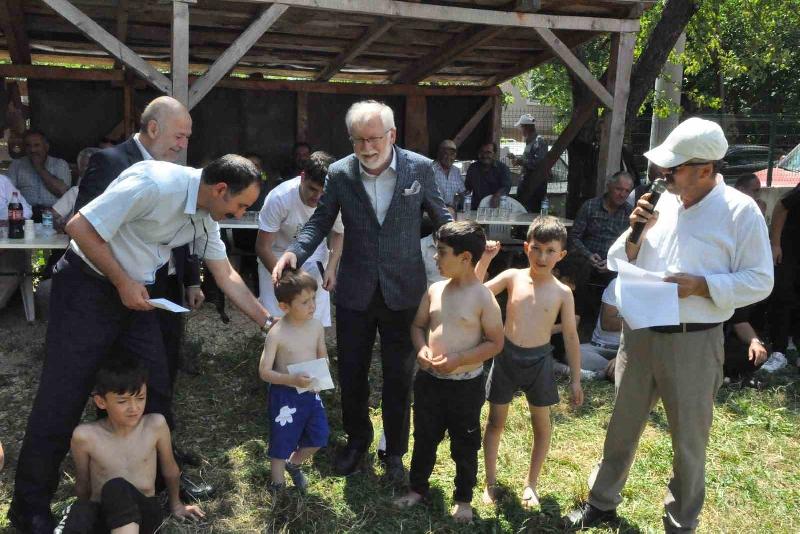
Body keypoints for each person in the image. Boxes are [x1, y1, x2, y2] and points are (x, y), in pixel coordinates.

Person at [9, 155, 273, 533]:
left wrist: (267, 322)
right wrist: (121, 282)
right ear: (219, 189)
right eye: (240, 205)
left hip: (136, 293)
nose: (239, 213)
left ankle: (158, 490)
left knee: (156, 389)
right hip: (88, 285)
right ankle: (29, 509)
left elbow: (226, 273)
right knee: (63, 396)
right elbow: (78, 226)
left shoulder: (206, 212)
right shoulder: (154, 183)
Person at [564, 117, 773, 532]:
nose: (663, 176)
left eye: (673, 169)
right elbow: (616, 260)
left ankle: (681, 522)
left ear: (705, 169)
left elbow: (761, 280)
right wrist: (636, 234)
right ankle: (601, 503)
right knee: (621, 427)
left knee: (688, 442)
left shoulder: (739, 211)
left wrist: (703, 287)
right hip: (640, 335)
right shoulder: (660, 203)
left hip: (693, 342)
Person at [273, 100, 451, 483]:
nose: (367, 148)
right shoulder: (340, 173)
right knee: (352, 372)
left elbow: (441, 215)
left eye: (374, 139)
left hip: (404, 291)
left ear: (392, 135)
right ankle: (356, 441)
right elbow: (320, 221)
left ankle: (395, 451)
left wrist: (465, 247)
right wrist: (294, 251)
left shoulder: (419, 168)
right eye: (358, 141)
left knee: (399, 376)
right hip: (355, 290)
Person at [73, 96, 206, 485]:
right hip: (116, 291)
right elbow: (87, 230)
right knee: (122, 375)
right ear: (153, 129)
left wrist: (192, 279)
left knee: (163, 370)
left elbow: (190, 230)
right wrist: (122, 281)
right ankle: (116, 463)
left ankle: (163, 457)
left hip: (165, 287)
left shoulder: (174, 172)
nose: (183, 145)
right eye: (179, 136)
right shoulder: (111, 162)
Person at [394, 221, 504, 522]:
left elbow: (496, 342)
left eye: (442, 253)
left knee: (465, 442)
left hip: (465, 386)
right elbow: (418, 326)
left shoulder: (483, 297)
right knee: (425, 436)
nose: (435, 258)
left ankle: (464, 497)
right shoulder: (435, 290)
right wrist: (421, 349)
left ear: (465, 258)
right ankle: (417, 488)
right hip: (429, 381)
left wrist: (461, 358)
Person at [476, 216, 584, 508]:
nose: (542, 256)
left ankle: (531, 484)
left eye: (550, 251)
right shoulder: (513, 276)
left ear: (561, 254)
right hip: (507, 357)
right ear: (526, 248)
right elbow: (476, 292)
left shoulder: (563, 293)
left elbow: (572, 338)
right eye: (536, 248)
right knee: (495, 421)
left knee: (542, 425)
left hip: (540, 362)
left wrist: (575, 379)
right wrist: (485, 259)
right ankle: (490, 483)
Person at [61, 358, 205, 534]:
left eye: (140, 398)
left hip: (144, 513)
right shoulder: (85, 436)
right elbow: (83, 484)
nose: (134, 408)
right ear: (101, 402)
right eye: (122, 402)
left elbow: (170, 469)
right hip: (104, 512)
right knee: (80, 512)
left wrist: (176, 505)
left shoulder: (155, 425)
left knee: (116, 488)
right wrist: (83, 515)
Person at [258, 269, 330, 492]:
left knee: (320, 436)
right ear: (284, 307)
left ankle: (294, 463)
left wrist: (323, 366)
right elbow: (264, 372)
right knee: (282, 440)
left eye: (313, 299)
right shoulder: (277, 333)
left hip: (310, 390)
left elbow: (322, 351)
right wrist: (291, 380)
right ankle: (277, 484)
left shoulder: (316, 326)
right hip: (285, 395)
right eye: (305, 302)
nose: (312, 306)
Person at [256, 151, 343, 327]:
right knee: (275, 324)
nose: (317, 197)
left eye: (322, 192)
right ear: (302, 177)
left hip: (315, 256)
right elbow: (262, 247)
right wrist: (287, 279)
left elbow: (339, 233)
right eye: (312, 189)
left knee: (315, 323)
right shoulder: (279, 198)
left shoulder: (335, 199)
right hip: (276, 256)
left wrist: (332, 268)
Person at [569, 171, 634, 283]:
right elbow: (574, 237)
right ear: (609, 186)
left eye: (627, 191)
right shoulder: (590, 206)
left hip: (614, 268)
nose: (622, 194)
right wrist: (588, 255)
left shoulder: (630, 213)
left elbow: (632, 247)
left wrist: (612, 263)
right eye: (619, 189)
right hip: (585, 264)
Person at [554, 278, 620, 381]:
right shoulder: (618, 283)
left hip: (631, 350)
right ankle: (614, 370)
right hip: (600, 347)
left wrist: (625, 355)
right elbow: (607, 323)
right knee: (570, 353)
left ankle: (613, 371)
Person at [766, 184, 800, 372]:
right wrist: (776, 244)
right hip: (789, 253)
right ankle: (778, 352)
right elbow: (781, 206)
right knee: (783, 299)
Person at [7, 129, 71, 218]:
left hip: (54, 216)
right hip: (25, 215)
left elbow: (63, 192)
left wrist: (39, 168)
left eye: (37, 145)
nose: (32, 150)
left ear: (46, 147)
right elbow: (8, 194)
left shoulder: (60, 164)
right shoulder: (17, 165)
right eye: (28, 146)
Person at [0, 174, 32, 309]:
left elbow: (26, 210)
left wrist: (7, 222)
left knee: (13, 266)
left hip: (5, 246)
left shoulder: (2, 181)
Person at [51, 147, 101, 226]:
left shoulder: (110, 192)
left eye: (91, 166)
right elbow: (51, 216)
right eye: (85, 166)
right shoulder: (75, 191)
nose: (88, 169)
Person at [513, 114, 549, 212]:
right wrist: (517, 159)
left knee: (532, 214)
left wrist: (521, 161)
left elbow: (538, 164)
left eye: (522, 127)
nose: (521, 130)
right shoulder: (530, 141)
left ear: (527, 127)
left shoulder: (540, 141)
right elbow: (528, 160)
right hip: (526, 184)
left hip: (535, 187)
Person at [464, 142, 511, 208]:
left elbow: (506, 186)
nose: (485, 155)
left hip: (496, 208)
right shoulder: (473, 168)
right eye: (482, 152)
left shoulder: (502, 168)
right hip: (476, 208)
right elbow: (467, 188)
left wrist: (497, 195)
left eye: (488, 152)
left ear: (494, 154)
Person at [432, 139, 465, 209]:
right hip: (432, 211)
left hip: (450, 212)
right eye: (445, 153)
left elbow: (462, 192)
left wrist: (458, 202)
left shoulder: (456, 171)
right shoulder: (431, 169)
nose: (449, 157)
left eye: (452, 154)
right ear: (439, 154)